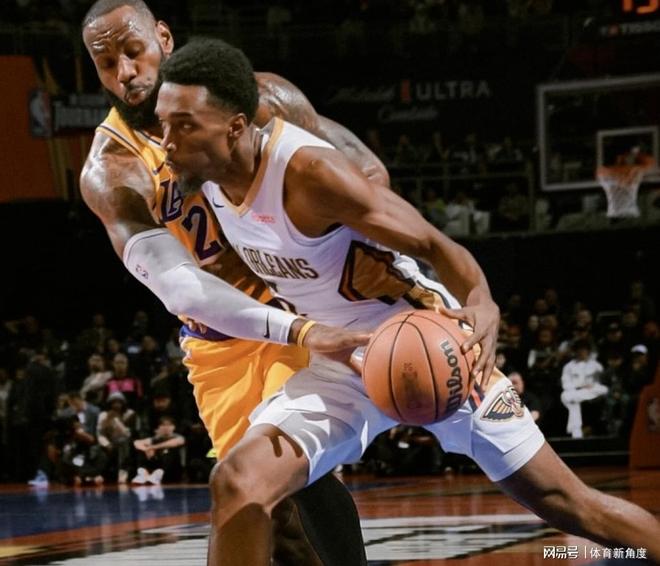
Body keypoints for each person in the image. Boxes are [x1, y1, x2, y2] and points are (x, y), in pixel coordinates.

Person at [156, 38, 660, 564]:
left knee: (567, 504)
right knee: (238, 481)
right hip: (342, 359)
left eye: (183, 126)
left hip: (425, 341)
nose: (166, 142)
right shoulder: (206, 177)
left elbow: (434, 245)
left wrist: (482, 301)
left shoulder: (309, 175)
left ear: (235, 127)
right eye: (164, 125)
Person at [80, 1, 381, 563]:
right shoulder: (112, 168)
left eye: (134, 51)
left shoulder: (255, 97)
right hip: (217, 341)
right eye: (106, 63)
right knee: (272, 520)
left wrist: (363, 257)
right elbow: (181, 288)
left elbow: (365, 173)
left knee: (289, 470)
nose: (125, 72)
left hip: (294, 304)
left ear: (163, 37)